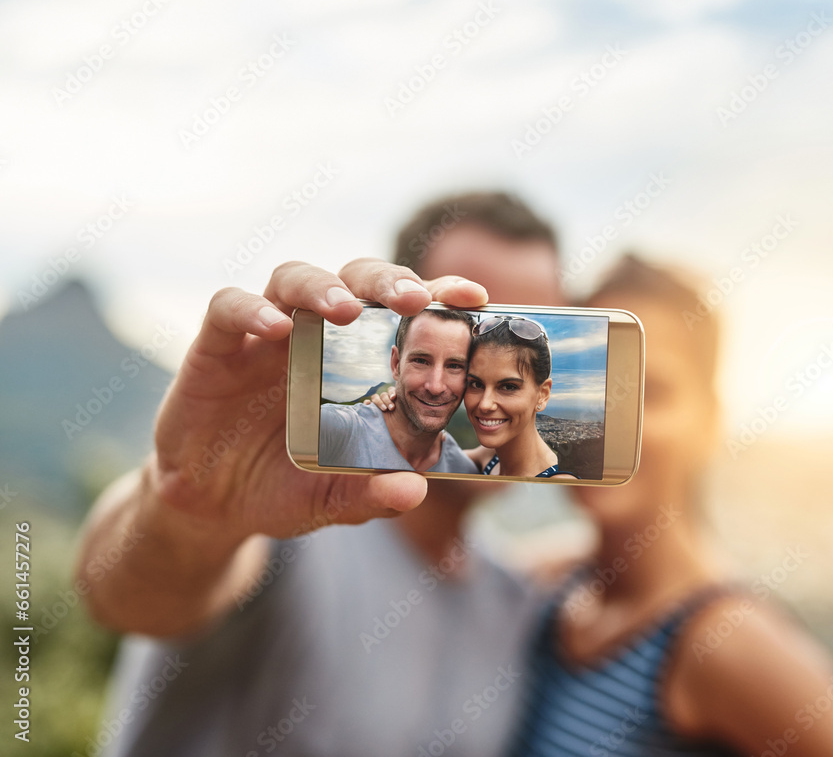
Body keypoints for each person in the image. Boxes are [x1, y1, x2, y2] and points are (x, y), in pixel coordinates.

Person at [74, 192, 567, 756]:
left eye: (518, 337)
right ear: (398, 346)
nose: (490, 374)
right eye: (471, 331)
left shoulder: (509, 599)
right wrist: (188, 509)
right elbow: (127, 598)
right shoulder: (290, 518)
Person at [507, 254, 833, 756]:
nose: (607, 423)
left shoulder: (725, 641)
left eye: (649, 392)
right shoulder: (553, 586)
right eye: (585, 386)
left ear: (709, 422)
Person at [368, 313, 578, 479]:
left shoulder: (557, 483)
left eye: (508, 387)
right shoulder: (488, 459)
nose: (485, 404)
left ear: (542, 394)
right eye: (476, 384)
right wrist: (398, 408)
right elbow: (429, 459)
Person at [318, 308, 477, 472]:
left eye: (454, 366)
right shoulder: (334, 429)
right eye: (421, 361)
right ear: (395, 364)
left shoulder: (464, 470)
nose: (436, 387)